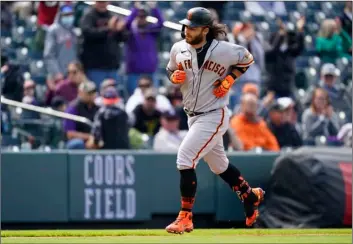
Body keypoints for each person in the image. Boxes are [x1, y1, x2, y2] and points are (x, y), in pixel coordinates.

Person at [164, 7, 265, 234]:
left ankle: (185, 217)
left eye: (193, 27)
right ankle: (250, 196)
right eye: (186, 26)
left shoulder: (225, 50)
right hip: (192, 115)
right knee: (219, 165)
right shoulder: (178, 48)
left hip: (214, 114)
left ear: (206, 30)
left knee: (185, 158)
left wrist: (230, 79)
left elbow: (248, 59)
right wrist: (173, 77)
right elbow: (169, 69)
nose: (186, 30)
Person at [79, 1, 126, 87]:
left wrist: (120, 30)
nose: (102, 4)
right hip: (95, 67)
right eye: (100, 2)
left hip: (112, 67)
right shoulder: (89, 16)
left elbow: (122, 39)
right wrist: (108, 28)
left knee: (113, 96)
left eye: (104, 2)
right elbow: (88, 33)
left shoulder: (112, 16)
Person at [124, 2, 164, 94]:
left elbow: (161, 23)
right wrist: (135, 9)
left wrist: (154, 8)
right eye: (139, 16)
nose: (141, 18)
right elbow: (126, 24)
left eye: (143, 16)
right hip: (134, 72)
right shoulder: (131, 32)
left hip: (150, 71)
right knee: (133, 97)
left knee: (152, 97)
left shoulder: (151, 31)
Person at [264, 17, 305, 99]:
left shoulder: (289, 51)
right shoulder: (270, 51)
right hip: (274, 89)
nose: (286, 37)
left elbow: (299, 48)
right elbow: (273, 50)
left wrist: (300, 30)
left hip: (287, 88)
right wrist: (280, 35)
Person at [44, 4, 78, 88]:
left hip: (73, 74)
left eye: (70, 15)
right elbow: (48, 55)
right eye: (66, 15)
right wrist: (56, 72)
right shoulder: (53, 30)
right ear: (60, 15)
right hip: (59, 75)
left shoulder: (75, 31)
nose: (68, 17)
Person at [63, 81, 99, 149]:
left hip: (94, 140)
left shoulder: (98, 108)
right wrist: (89, 137)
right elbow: (70, 134)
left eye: (93, 93)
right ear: (80, 93)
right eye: (89, 93)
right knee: (77, 143)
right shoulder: (73, 108)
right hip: (79, 142)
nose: (92, 95)